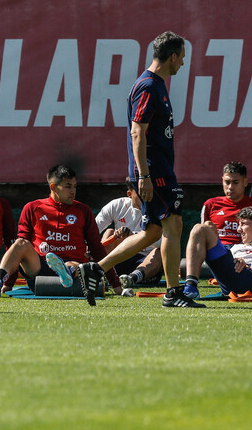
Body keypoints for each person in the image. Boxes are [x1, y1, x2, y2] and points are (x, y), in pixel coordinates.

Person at [79, 31, 204, 308]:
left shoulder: (154, 84)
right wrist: (143, 175)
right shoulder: (149, 86)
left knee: (153, 232)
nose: (182, 64)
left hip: (155, 171)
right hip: (154, 172)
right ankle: (173, 293)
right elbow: (138, 132)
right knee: (174, 224)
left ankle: (96, 268)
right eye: (181, 58)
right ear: (172, 56)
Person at [0, 165, 124, 302]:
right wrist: (9, 283)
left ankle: (66, 272)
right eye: (68, 186)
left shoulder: (83, 210)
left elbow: (96, 248)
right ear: (53, 187)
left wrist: (115, 283)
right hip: (41, 270)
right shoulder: (32, 208)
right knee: (20, 243)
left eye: (75, 186)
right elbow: (17, 252)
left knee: (74, 265)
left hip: (75, 273)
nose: (73, 191)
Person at [95, 178, 163, 288]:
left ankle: (132, 279)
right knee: (109, 232)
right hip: (118, 258)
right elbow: (93, 230)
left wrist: (135, 237)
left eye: (148, 192)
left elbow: (165, 242)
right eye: (141, 193)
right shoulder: (116, 205)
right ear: (129, 194)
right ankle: (102, 273)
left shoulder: (160, 210)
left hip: (147, 263)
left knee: (161, 251)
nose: (146, 197)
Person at [200, 162, 252, 247]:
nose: (230, 187)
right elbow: (203, 237)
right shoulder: (210, 204)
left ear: (245, 182)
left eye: (235, 182)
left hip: (246, 252)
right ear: (222, 181)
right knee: (200, 228)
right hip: (219, 252)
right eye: (227, 182)